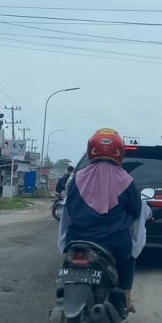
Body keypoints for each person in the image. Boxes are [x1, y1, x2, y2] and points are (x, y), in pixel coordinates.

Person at [58, 129, 141, 312]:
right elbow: (136, 211)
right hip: (114, 242)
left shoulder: (77, 177)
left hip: (76, 239)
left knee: (67, 261)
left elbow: (69, 208)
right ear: (119, 152)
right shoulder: (126, 180)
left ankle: (65, 291)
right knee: (129, 258)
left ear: (91, 150)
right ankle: (126, 300)